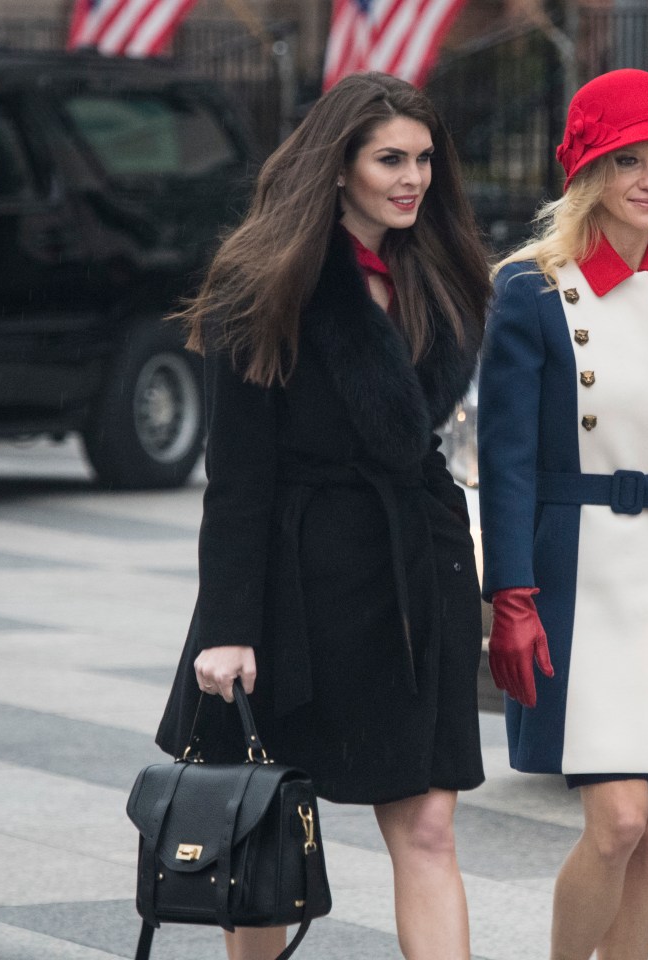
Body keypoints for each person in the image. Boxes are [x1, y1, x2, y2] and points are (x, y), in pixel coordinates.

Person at [155, 72, 492, 960]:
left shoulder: (442, 271)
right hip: (295, 592)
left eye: (423, 159)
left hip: (414, 581)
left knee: (428, 831)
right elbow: (235, 476)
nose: (412, 177)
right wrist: (225, 629)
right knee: (260, 828)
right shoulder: (264, 279)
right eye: (390, 159)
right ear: (339, 167)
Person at [478, 68, 648, 960]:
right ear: (588, 173)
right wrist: (511, 594)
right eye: (626, 160)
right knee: (617, 819)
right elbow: (507, 462)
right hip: (579, 577)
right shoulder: (532, 291)